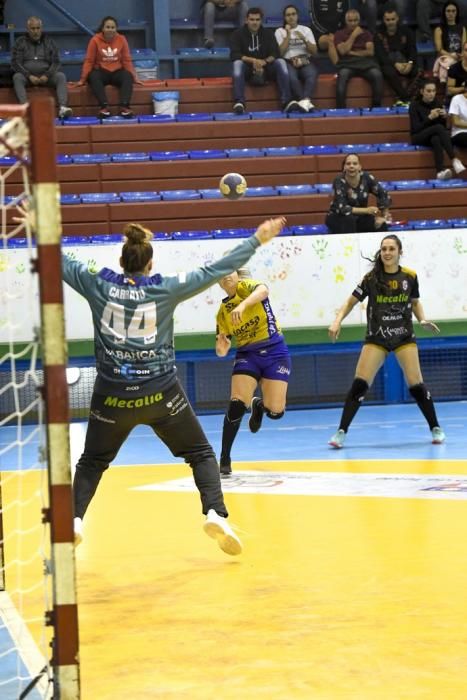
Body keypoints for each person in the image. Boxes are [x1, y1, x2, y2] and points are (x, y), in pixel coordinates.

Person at [328, 234, 446, 448]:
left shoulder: (410, 276)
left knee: (416, 384)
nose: (387, 253)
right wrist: (337, 321)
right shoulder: (371, 279)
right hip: (377, 337)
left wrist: (423, 319)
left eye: (391, 249)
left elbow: (415, 302)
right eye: (384, 249)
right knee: (359, 384)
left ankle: (435, 428)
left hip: (403, 336)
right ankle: (341, 432)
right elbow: (350, 302)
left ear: (400, 252)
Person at [215, 267, 290, 476]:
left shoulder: (245, 288)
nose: (226, 275)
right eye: (222, 274)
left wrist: (244, 305)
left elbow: (264, 290)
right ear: (218, 283)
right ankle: (225, 458)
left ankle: (260, 406)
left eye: (230, 271)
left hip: (275, 351)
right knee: (237, 404)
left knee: (276, 412)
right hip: (248, 355)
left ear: (238, 275)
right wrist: (222, 347)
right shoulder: (222, 313)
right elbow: (222, 346)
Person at [229, 6, 300, 114]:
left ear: (261, 20)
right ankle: (239, 102)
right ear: (246, 20)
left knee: (280, 62)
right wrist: (253, 61)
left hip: (266, 70)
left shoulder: (268, 34)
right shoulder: (237, 34)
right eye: (252, 19)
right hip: (247, 70)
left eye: (257, 20)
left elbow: (275, 53)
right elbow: (234, 54)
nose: (254, 22)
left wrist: (264, 62)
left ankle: (286, 101)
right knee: (237, 64)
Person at [74, 15, 143, 119]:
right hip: (101, 72)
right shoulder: (95, 40)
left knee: (127, 76)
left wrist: (135, 77)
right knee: (93, 76)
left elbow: (126, 60)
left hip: (117, 72)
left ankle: (125, 107)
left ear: (116, 29)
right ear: (102, 28)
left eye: (113, 27)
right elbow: (89, 61)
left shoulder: (122, 39)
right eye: (108, 27)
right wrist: (82, 79)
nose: (110, 30)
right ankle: (104, 107)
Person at [11, 16, 72, 119]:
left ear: (41, 28)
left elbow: (56, 62)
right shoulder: (20, 42)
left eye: (38, 28)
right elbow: (15, 63)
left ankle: (63, 108)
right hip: (27, 77)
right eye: (33, 28)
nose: (36, 31)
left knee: (61, 76)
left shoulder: (49, 42)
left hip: (46, 77)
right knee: (17, 77)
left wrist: (47, 75)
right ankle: (25, 109)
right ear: (28, 29)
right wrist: (29, 75)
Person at [409, 78, 466, 178]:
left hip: (433, 135)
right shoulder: (414, 105)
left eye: (434, 91)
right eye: (428, 91)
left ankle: (440, 172)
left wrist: (444, 118)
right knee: (438, 128)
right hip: (418, 136)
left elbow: (442, 128)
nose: (432, 94)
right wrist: (429, 118)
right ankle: (454, 159)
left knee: (436, 138)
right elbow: (416, 128)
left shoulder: (437, 103)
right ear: (422, 91)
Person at [325, 153, 392, 234]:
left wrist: (384, 215)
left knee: (380, 224)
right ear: (344, 167)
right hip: (338, 217)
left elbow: (383, 195)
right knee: (349, 220)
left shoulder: (367, 178)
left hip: (360, 217)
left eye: (355, 163)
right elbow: (343, 208)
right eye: (348, 164)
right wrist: (367, 210)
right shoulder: (338, 180)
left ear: (360, 167)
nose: (351, 166)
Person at [333, 9, 384, 109]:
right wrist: (354, 35)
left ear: (359, 21)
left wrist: (352, 52)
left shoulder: (367, 33)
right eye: (350, 21)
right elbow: (343, 51)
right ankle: (341, 109)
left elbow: (370, 52)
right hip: (347, 64)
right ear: (345, 22)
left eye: (355, 20)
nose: (353, 23)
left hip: (366, 64)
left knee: (377, 74)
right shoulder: (339, 34)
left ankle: (376, 107)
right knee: (342, 75)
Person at [374, 3, 421, 107]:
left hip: (405, 62)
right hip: (389, 64)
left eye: (393, 19)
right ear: (383, 20)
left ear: (397, 18)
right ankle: (406, 98)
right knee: (388, 71)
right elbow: (381, 55)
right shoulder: (378, 33)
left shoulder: (407, 31)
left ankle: (405, 98)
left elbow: (413, 50)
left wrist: (409, 63)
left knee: (417, 71)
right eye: (388, 20)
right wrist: (395, 64)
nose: (390, 22)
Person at [275, 4, 318, 112]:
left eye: (293, 14)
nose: (291, 17)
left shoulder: (306, 30)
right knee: (292, 78)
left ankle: (305, 100)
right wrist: (288, 34)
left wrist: (303, 39)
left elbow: (314, 51)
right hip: (288, 61)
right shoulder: (279, 32)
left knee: (311, 75)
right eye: (288, 15)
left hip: (305, 60)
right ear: (284, 18)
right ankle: (305, 101)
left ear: (297, 16)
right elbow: (280, 53)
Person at [433, 1, 467, 84]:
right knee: (449, 63)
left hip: (460, 56)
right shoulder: (439, 29)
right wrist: (452, 56)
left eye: (453, 11)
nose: (451, 13)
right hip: (446, 57)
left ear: (457, 12)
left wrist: (462, 55)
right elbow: (439, 49)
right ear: (444, 13)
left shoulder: (462, 28)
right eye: (448, 11)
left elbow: (464, 46)